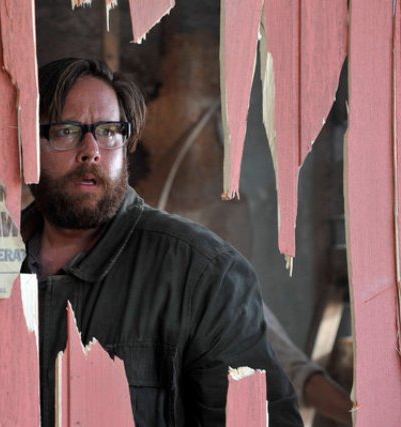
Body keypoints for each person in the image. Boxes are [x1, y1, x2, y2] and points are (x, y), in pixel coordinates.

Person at [21, 57, 303, 426]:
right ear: (29, 144)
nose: (91, 150)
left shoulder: (202, 274)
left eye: (108, 131)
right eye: (66, 131)